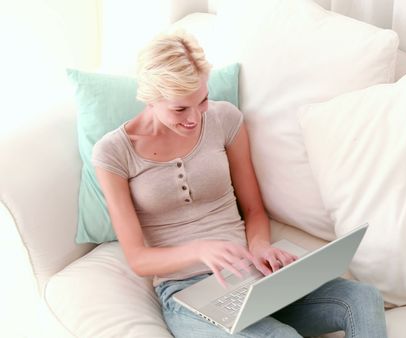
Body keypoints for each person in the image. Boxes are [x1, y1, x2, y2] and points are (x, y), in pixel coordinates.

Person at [92, 31, 388, 338]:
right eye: (180, 109)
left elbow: (253, 209)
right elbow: (138, 259)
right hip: (186, 292)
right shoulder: (113, 153)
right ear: (151, 98)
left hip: (252, 277)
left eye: (202, 100)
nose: (194, 118)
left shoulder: (224, 119)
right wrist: (199, 250)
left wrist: (259, 246)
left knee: (362, 298)